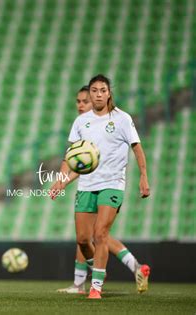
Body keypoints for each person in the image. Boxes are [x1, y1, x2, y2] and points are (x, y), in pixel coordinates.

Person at [50, 75, 150, 299]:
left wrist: (143, 176)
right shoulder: (81, 122)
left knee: (101, 234)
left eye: (102, 90)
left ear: (108, 93)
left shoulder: (122, 119)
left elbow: (137, 148)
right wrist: (61, 180)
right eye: (94, 90)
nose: (97, 94)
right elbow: (72, 158)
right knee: (83, 240)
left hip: (112, 184)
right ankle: (101, 269)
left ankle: (95, 286)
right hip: (86, 185)